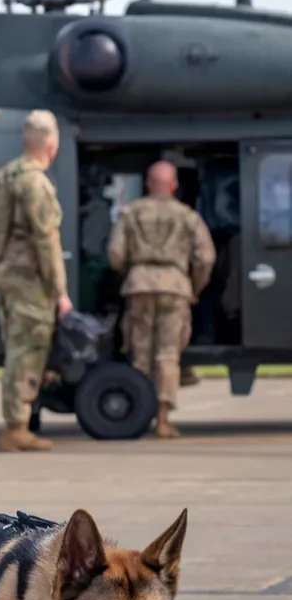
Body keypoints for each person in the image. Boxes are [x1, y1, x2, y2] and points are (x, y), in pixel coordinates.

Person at [0, 109, 72, 451]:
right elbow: (46, 241)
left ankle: (17, 422)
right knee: (28, 350)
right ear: (51, 145)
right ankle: (16, 427)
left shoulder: (5, 177)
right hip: (29, 280)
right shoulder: (35, 183)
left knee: (17, 349)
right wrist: (60, 292)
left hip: (6, 276)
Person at [107, 160, 215, 438]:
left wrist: (130, 272)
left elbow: (115, 256)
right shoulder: (187, 216)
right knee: (167, 353)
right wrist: (193, 286)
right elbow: (206, 257)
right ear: (174, 185)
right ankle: (163, 419)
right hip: (175, 287)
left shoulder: (131, 213)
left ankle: (139, 413)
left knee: (140, 353)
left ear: (147, 184)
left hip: (139, 285)